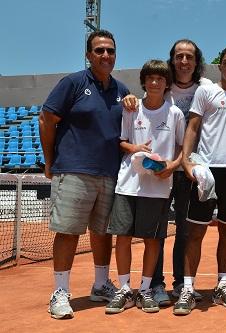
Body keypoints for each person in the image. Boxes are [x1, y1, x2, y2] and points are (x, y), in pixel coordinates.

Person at [39, 30, 129, 319]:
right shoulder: (73, 83)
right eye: (100, 50)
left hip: (109, 173)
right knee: (68, 233)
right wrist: (50, 161)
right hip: (74, 170)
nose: (106, 56)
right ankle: (60, 292)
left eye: (110, 51)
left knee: (102, 234)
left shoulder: (122, 90)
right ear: (88, 55)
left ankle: (101, 284)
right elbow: (47, 118)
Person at [105, 60, 185, 314]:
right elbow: (122, 141)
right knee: (123, 237)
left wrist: (171, 167)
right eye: (150, 78)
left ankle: (146, 289)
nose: (154, 83)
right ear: (144, 82)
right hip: (128, 184)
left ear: (166, 84)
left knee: (152, 240)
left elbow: (184, 147)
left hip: (158, 187)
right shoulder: (131, 109)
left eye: (160, 79)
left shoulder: (175, 114)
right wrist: (136, 148)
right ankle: (125, 289)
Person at [173, 45, 226, 316]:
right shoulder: (206, 91)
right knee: (195, 233)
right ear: (220, 65)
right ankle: (188, 289)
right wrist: (186, 160)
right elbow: (192, 126)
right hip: (205, 170)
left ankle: (222, 285)